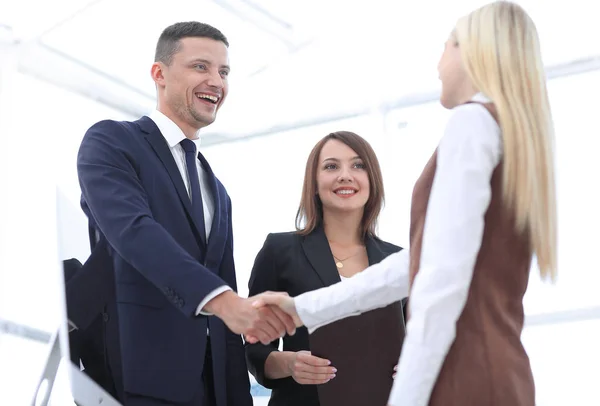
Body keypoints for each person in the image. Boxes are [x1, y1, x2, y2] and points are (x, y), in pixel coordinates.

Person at [254, 2, 557, 405]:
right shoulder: (513, 132)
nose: (438, 64)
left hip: (463, 377)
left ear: (472, 51)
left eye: (445, 47)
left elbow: (438, 285)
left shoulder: (472, 122)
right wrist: (301, 308)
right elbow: (421, 264)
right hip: (502, 373)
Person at [77, 21, 295, 406]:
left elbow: (226, 296)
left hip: (211, 386)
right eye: (201, 67)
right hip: (139, 376)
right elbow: (134, 232)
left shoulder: (217, 190)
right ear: (159, 74)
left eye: (223, 71)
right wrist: (223, 300)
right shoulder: (112, 142)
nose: (217, 81)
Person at [245, 131, 407, 406]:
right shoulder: (280, 250)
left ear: (372, 181)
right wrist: (290, 363)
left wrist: (411, 366)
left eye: (358, 165)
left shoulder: (398, 260)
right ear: (315, 184)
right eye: (332, 166)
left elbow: (421, 341)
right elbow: (255, 349)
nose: (345, 175)